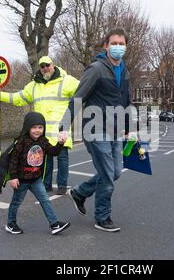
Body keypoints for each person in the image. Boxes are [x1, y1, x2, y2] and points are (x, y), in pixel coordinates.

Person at [59, 28, 136, 233]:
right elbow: (78, 97)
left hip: (116, 130)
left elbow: (126, 102)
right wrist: (64, 126)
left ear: (126, 47)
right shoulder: (96, 69)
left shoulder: (125, 72)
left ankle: (79, 192)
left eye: (122, 44)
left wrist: (128, 129)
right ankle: (102, 217)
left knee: (116, 172)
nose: (118, 47)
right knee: (108, 176)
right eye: (114, 43)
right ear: (106, 46)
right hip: (95, 130)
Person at [0, 57, 79, 195]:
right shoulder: (34, 85)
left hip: (60, 129)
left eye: (48, 65)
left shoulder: (66, 81)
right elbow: (18, 98)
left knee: (62, 158)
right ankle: (46, 185)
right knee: (46, 160)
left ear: (53, 65)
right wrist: (1, 96)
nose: (45, 68)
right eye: (42, 66)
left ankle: (62, 186)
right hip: (42, 132)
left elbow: (84, 89)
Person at [5, 112, 71, 235]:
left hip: (36, 179)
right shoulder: (21, 141)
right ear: (28, 127)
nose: (37, 130)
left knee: (45, 200)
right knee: (16, 202)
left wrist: (60, 143)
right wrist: (13, 177)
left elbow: (52, 152)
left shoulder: (43, 140)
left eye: (40, 127)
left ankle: (54, 224)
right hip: (22, 180)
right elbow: (13, 160)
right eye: (34, 127)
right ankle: (10, 223)